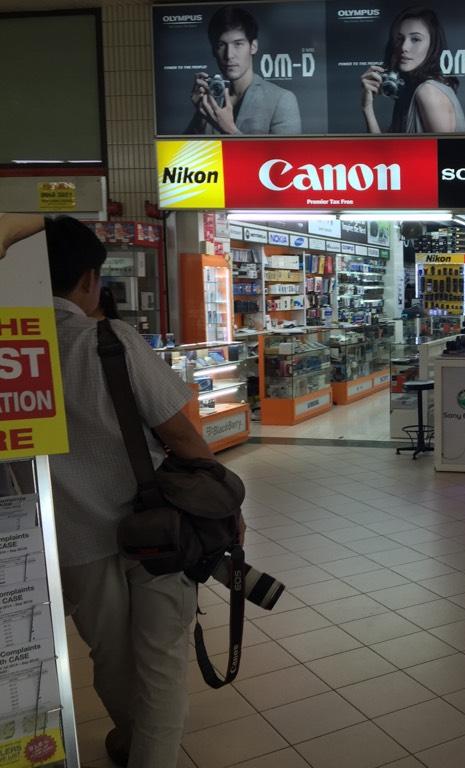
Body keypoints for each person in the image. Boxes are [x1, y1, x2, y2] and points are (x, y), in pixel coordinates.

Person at [22, 216, 224, 768]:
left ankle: (131, 739)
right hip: (156, 526)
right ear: (89, 279)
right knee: (161, 660)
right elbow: (180, 433)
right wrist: (223, 500)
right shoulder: (110, 339)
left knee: (110, 653)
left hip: (71, 536)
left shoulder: (13, 349)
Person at [186, 6, 301, 135]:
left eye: (238, 44)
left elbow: (286, 150)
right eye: (221, 45)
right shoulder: (210, 99)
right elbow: (182, 148)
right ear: (213, 50)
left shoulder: (281, 100)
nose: (229, 55)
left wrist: (230, 130)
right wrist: (200, 116)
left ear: (253, 47)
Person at [360, 6, 465, 133]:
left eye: (415, 39)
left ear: (432, 46)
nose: (404, 47)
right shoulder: (412, 90)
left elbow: (445, 146)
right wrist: (367, 108)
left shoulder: (428, 92)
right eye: (400, 38)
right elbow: (382, 146)